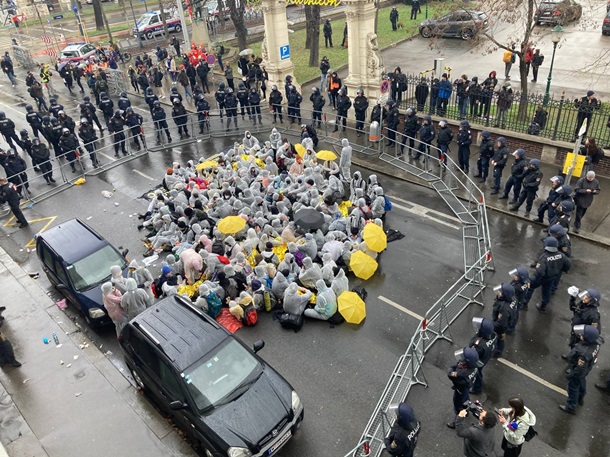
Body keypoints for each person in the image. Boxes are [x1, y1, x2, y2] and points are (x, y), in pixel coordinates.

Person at [521, 237, 571, 313]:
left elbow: (541, 271)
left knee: (530, 287)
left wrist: (536, 277)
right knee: (547, 291)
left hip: (541, 277)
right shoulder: (561, 255)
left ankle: (524, 304)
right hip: (552, 277)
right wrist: (561, 270)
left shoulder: (544, 257)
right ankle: (543, 307)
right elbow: (568, 264)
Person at [560, 324, 601, 414]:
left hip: (579, 370)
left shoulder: (584, 354)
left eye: (582, 335)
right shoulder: (595, 343)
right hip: (587, 368)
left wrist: (572, 374)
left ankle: (571, 406)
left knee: (573, 387)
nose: (580, 336)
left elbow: (579, 369)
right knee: (582, 381)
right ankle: (580, 397)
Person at [446, 347, 479, 429]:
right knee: (466, 399)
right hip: (467, 386)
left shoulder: (461, 373)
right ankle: (468, 410)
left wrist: (452, 368)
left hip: (460, 390)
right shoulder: (474, 366)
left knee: (458, 404)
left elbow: (450, 374)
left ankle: (457, 420)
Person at [564, 287, 601, 355]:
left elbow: (594, 330)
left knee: (578, 348)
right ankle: (571, 355)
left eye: (587, 298)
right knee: (572, 343)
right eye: (584, 296)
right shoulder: (583, 304)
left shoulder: (593, 314)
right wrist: (572, 298)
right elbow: (574, 309)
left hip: (581, 334)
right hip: (576, 330)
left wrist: (584, 337)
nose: (584, 298)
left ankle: (573, 360)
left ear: (592, 301)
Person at [469, 317, 497, 394]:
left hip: (480, 360)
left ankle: (477, 389)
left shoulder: (478, 345)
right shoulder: (493, 334)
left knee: (477, 372)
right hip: (487, 356)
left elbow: (473, 354)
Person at [491, 283, 517, 358]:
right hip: (508, 321)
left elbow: (501, 324)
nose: (498, 292)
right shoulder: (513, 298)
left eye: (501, 292)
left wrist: (492, 325)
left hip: (501, 326)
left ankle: (498, 352)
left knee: (500, 338)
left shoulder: (504, 309)